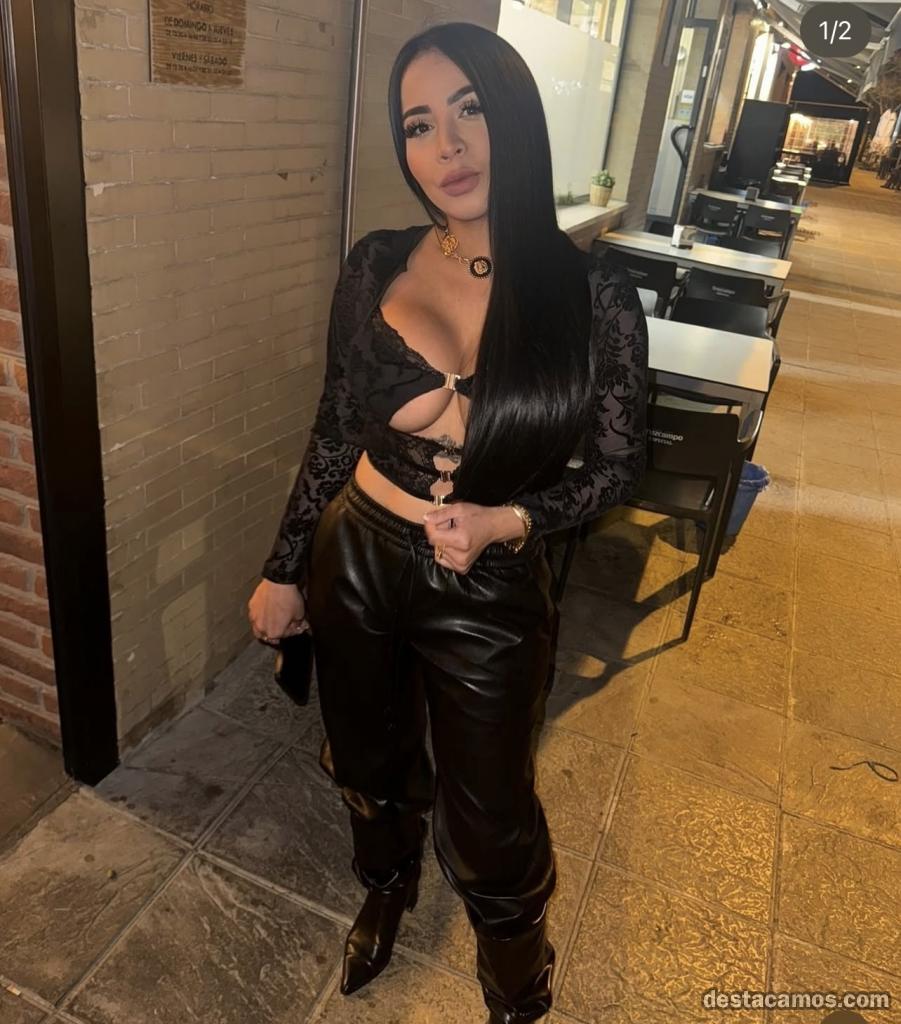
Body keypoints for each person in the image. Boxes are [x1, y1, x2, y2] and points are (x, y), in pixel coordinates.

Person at [247, 21, 648, 1024]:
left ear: (514, 115)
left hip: (490, 584)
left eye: (470, 110)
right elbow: (334, 424)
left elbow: (616, 466)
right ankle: (384, 887)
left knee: (490, 808)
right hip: (356, 558)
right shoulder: (378, 261)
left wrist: (510, 518)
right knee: (367, 759)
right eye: (419, 124)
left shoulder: (591, 291)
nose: (448, 147)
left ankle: (517, 978)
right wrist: (285, 566)